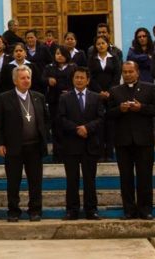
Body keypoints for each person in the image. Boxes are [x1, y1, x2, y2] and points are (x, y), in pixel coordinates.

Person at [0, 65, 49, 222]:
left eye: (28, 78)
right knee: (13, 181)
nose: (26, 80)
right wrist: (0, 143)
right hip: (13, 147)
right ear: (14, 80)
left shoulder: (39, 97)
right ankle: (13, 210)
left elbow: (46, 120)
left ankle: (35, 210)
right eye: (22, 78)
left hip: (34, 146)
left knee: (35, 181)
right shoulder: (4, 98)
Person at [107, 61, 155, 220]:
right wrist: (120, 109)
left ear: (137, 72)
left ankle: (146, 210)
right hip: (123, 141)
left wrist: (141, 108)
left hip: (144, 141)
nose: (128, 74)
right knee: (126, 178)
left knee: (145, 177)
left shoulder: (150, 88)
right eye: (125, 72)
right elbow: (108, 114)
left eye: (131, 71)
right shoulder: (115, 90)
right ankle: (129, 210)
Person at [59, 67, 104, 220]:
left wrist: (87, 128)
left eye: (82, 77)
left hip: (90, 144)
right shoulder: (64, 98)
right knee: (72, 180)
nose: (79, 80)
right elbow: (61, 119)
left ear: (88, 80)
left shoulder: (96, 97)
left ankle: (91, 209)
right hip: (71, 144)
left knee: (89, 180)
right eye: (76, 77)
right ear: (73, 79)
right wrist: (76, 129)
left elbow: (100, 118)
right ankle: (72, 210)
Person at [87, 36, 121, 161]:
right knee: (99, 123)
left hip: (112, 94)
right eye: (98, 43)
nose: (100, 45)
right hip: (97, 95)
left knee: (110, 123)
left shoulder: (114, 58)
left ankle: (110, 152)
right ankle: (100, 152)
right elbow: (91, 77)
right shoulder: (91, 59)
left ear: (108, 44)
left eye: (103, 43)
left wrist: (109, 91)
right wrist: (99, 92)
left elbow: (117, 75)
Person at [42, 45, 75, 163]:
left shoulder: (73, 67)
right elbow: (42, 79)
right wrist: (48, 80)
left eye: (61, 54)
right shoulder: (49, 67)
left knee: (69, 126)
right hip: (54, 101)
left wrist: (70, 90)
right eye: (57, 54)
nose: (59, 56)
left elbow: (78, 80)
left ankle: (70, 153)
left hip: (70, 101)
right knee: (56, 127)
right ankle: (57, 155)